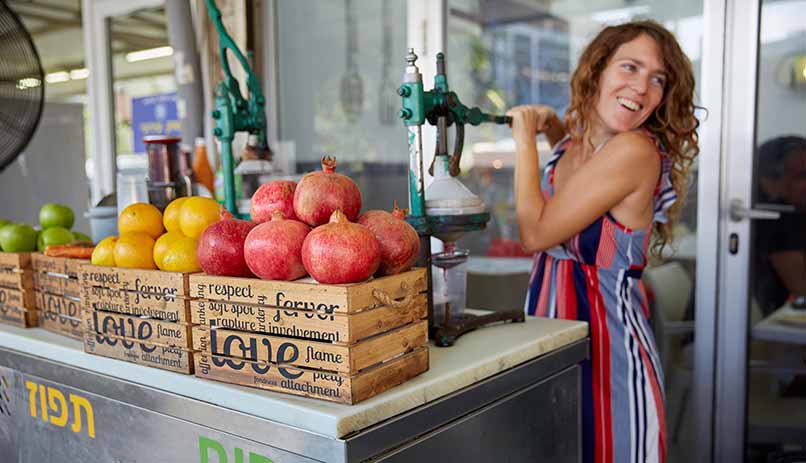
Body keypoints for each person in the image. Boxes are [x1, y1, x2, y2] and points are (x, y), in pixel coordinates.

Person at [507, 20, 699, 463]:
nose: (642, 87)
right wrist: (555, 130)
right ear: (598, 70)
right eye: (630, 67)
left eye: (658, 79)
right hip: (552, 347)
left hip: (608, 360)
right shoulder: (576, 146)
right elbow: (574, 188)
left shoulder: (635, 151)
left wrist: (523, 142)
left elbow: (535, 234)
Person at [754, 136, 806, 317]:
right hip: (755, 335)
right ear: (770, 180)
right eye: (802, 176)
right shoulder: (774, 217)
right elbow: (801, 289)